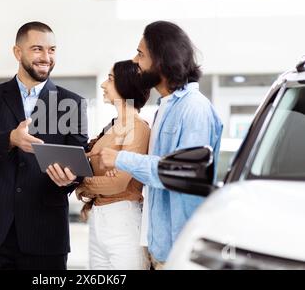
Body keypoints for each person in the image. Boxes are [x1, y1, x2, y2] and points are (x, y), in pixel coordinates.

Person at [91, 21, 223, 269]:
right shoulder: (165, 106)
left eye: (141, 54)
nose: (135, 60)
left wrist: (120, 160)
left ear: (161, 60)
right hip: (159, 247)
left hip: (181, 250)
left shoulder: (194, 108)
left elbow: (182, 172)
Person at [0, 21, 88, 270]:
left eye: (52, 50)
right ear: (18, 52)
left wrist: (70, 180)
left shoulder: (72, 103)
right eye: (37, 49)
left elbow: (78, 159)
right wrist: (10, 138)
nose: (46, 57)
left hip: (45, 233)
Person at [50, 60, 151, 270]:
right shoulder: (112, 128)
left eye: (111, 79)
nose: (104, 84)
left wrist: (83, 184)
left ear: (126, 85)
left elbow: (118, 184)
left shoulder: (138, 128)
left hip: (123, 221)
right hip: (99, 220)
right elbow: (97, 172)